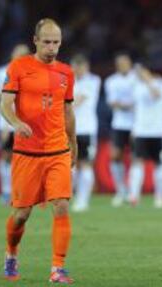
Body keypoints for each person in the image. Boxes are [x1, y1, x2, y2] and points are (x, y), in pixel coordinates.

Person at [0, 18, 77, 284]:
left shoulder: (66, 73)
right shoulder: (18, 67)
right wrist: (17, 122)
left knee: (62, 206)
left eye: (56, 42)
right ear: (35, 41)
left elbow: (67, 111)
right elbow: (5, 105)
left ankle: (58, 268)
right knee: (21, 215)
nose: (52, 47)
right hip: (27, 153)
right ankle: (11, 253)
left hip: (57, 150)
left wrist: (73, 142)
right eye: (47, 42)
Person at [0, 44, 30, 205]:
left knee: (26, 159)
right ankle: (6, 191)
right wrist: (7, 91)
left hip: (26, 123)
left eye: (24, 54)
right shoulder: (2, 72)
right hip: (5, 122)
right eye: (18, 54)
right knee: (5, 157)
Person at [128, 67, 162, 208]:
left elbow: (157, 95)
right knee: (137, 162)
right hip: (141, 131)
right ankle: (134, 196)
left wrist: (148, 81)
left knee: (159, 163)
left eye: (142, 72)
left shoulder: (160, 84)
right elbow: (136, 109)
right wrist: (134, 128)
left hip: (158, 131)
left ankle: (159, 197)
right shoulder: (136, 87)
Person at [70, 54, 101, 212]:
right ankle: (71, 197)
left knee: (85, 164)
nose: (78, 70)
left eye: (81, 67)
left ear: (86, 67)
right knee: (70, 165)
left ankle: (83, 200)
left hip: (87, 129)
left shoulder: (93, 81)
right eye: (75, 67)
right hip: (69, 129)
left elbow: (78, 100)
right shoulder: (68, 81)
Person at [105, 52, 136, 207]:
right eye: (120, 63)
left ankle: (133, 190)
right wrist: (127, 105)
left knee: (136, 157)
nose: (123, 65)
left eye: (125, 62)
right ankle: (120, 190)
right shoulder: (111, 81)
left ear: (130, 63)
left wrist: (124, 104)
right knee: (115, 156)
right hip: (119, 124)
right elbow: (112, 102)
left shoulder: (136, 78)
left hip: (137, 124)